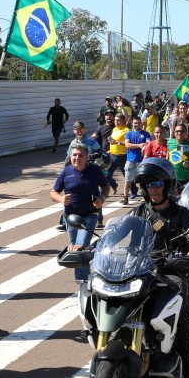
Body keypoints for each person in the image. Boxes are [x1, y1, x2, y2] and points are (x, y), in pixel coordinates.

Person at [129, 158, 189, 378]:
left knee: (177, 302)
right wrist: (95, 246)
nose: (153, 188)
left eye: (158, 183)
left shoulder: (180, 212)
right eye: (148, 184)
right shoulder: (139, 211)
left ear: (168, 185)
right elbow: (121, 233)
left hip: (170, 270)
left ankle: (186, 359)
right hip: (140, 270)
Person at [50, 142, 111, 284]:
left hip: (90, 214)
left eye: (80, 155)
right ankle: (91, 270)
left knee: (80, 246)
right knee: (76, 246)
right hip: (71, 218)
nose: (77, 158)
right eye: (74, 155)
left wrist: (102, 198)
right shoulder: (66, 172)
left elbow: (106, 186)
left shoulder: (94, 170)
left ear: (87, 157)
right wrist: (60, 199)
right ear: (70, 156)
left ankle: (82, 283)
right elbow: (53, 192)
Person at [122, 116, 151, 203]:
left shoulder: (146, 134)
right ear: (132, 123)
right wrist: (139, 145)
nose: (136, 124)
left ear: (141, 123)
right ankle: (125, 198)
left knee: (143, 181)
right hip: (130, 160)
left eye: (138, 123)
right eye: (135, 123)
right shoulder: (129, 134)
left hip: (142, 161)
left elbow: (149, 143)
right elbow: (127, 144)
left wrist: (144, 144)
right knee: (127, 181)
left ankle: (145, 197)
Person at [167, 122, 189, 191]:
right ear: (174, 133)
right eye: (177, 131)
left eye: (182, 131)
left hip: (185, 178)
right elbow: (168, 154)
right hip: (172, 178)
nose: (179, 133)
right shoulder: (169, 143)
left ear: (186, 133)